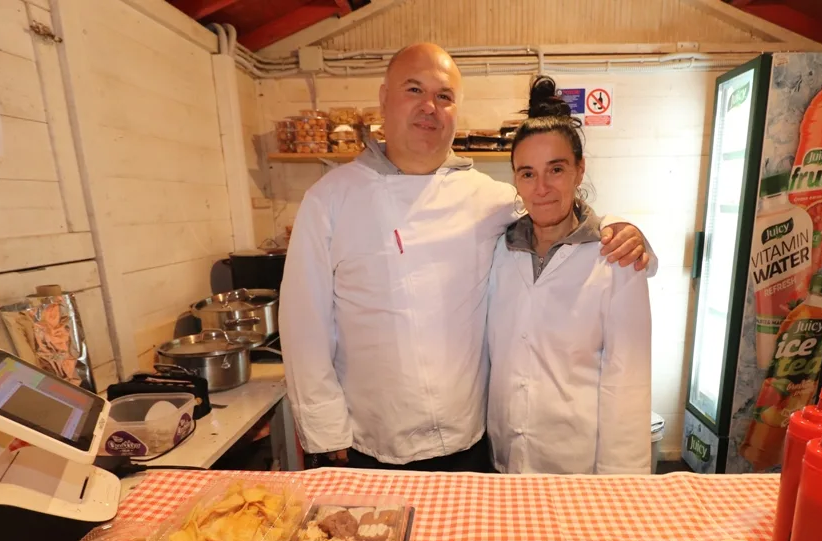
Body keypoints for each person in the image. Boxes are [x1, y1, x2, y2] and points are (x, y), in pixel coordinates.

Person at [279, 43, 657, 472]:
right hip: (369, 442)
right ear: (384, 99)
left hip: (470, 444)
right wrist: (325, 428)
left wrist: (625, 230)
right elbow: (303, 321)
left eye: (443, 96)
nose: (429, 107)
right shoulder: (330, 199)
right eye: (414, 90)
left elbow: (558, 213)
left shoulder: (486, 197)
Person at [486, 76, 652, 475]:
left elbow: (627, 381)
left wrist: (620, 485)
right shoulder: (500, 249)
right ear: (515, 179)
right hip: (502, 460)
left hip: (578, 470)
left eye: (555, 169)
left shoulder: (614, 256)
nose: (541, 188)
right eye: (527, 173)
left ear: (580, 170)